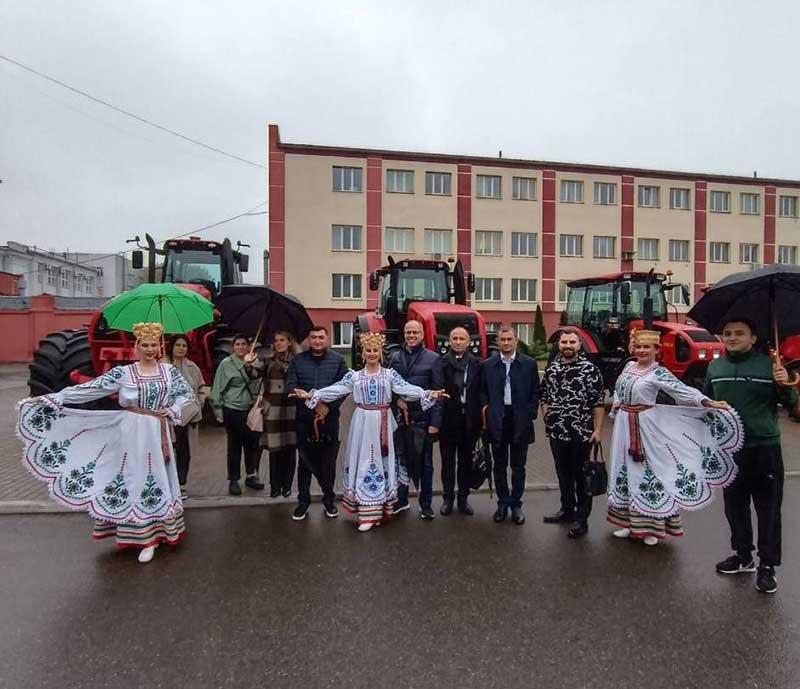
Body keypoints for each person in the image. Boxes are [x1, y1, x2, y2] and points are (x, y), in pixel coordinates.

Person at [17, 322, 195, 564]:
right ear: (137, 347)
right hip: (131, 430)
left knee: (157, 478)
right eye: (145, 345)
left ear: (159, 346)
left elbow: (187, 395)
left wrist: (172, 409)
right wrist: (55, 398)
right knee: (133, 478)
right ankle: (143, 538)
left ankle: (159, 534)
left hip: (157, 431)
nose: (150, 349)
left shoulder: (169, 372)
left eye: (154, 344)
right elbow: (91, 389)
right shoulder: (125, 373)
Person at [292, 332, 448, 532]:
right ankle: (367, 512)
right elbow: (336, 389)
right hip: (363, 423)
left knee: (382, 461)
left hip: (383, 421)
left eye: (375, 350)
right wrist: (312, 395)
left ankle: (380, 509)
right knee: (365, 461)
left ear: (380, 353)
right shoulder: (355, 376)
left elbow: (407, 388)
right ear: (363, 354)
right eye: (368, 350)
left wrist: (429, 393)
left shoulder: (389, 375)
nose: (372, 353)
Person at [607, 329, 741, 546]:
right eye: (638, 346)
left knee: (649, 471)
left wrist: (707, 402)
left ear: (656, 350)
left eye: (646, 347)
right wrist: (616, 408)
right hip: (624, 425)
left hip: (646, 427)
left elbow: (681, 390)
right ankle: (629, 523)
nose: (641, 351)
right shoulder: (628, 366)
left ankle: (652, 527)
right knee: (624, 469)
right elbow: (618, 391)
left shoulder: (658, 372)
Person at [706, 318, 797, 594]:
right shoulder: (715, 367)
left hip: (764, 449)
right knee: (734, 507)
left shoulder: (769, 366)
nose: (732, 338)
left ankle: (767, 566)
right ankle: (743, 555)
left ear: (753, 338)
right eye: (727, 333)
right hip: (730, 450)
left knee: (768, 510)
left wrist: (785, 384)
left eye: (739, 333)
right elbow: (706, 404)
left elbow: (793, 407)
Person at [541, 328, 605, 538]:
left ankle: (581, 519)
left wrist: (598, 430)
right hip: (558, 433)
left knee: (581, 477)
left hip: (582, 433)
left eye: (572, 342)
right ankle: (567, 510)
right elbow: (544, 397)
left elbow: (598, 402)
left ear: (579, 345)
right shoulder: (552, 369)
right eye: (564, 342)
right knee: (563, 475)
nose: (567, 346)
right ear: (558, 345)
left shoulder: (590, 370)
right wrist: (547, 419)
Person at [286, 325, 348, 521]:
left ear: (326, 339)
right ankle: (303, 502)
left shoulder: (338, 360)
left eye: (321, 337)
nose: (317, 341)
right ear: (309, 340)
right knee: (305, 463)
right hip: (305, 420)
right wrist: (308, 401)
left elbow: (345, 387)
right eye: (314, 337)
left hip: (329, 420)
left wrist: (328, 407)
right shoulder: (298, 361)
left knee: (328, 463)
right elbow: (291, 385)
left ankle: (329, 501)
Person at [481, 327, 540, 525]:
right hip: (497, 420)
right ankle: (502, 503)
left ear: (516, 340)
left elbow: (535, 391)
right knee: (499, 465)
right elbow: (483, 392)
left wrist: (530, 413)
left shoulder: (529, 364)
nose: (506, 343)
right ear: (497, 341)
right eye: (502, 339)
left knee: (518, 466)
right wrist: (488, 413)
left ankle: (516, 504)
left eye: (509, 339)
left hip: (520, 420)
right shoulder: (488, 365)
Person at [389, 320, 444, 520]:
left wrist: (435, 423)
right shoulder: (395, 357)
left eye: (415, 332)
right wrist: (397, 400)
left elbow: (439, 393)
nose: (411, 335)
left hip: (423, 420)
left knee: (425, 465)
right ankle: (402, 500)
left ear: (422, 334)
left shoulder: (433, 359)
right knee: (401, 461)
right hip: (401, 420)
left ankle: (426, 504)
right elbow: (389, 386)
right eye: (408, 332)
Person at [245, 330, 300, 498]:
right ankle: (275, 486)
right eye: (276, 340)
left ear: (289, 342)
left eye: (282, 340)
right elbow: (254, 375)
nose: (278, 343)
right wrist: (249, 363)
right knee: (275, 450)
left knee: (290, 450)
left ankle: (287, 486)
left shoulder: (298, 361)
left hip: (291, 409)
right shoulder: (268, 360)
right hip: (273, 411)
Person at [210, 333, 264, 496]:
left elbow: (259, 381)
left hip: (251, 409)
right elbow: (217, 388)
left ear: (248, 346)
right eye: (237, 344)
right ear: (233, 347)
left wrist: (251, 366)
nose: (241, 347)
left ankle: (251, 475)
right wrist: (218, 410)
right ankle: (233, 479)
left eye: (243, 344)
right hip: (232, 409)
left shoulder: (255, 361)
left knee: (252, 444)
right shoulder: (226, 364)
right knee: (234, 445)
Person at [438, 326, 483, 516]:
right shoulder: (441, 363)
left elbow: (481, 393)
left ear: (468, 342)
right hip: (448, 420)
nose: (458, 342)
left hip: (469, 421)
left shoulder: (477, 364)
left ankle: (463, 499)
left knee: (465, 463)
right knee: (447, 463)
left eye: (461, 338)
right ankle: (447, 499)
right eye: (454, 338)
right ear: (449, 341)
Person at [163, 334, 207, 500]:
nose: (181, 348)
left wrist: (198, 404)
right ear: (171, 347)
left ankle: (181, 484)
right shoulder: (163, 365)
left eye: (184, 346)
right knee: (167, 451)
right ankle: (166, 484)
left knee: (183, 451)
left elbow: (201, 388)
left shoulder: (192, 367)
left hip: (187, 416)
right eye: (178, 345)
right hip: (167, 416)